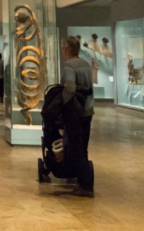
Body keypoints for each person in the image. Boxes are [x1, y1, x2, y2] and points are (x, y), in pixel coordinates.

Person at [61, 36, 95, 197]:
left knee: (76, 147)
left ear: (66, 50)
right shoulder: (86, 65)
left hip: (75, 112)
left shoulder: (69, 66)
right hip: (88, 111)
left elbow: (69, 87)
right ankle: (84, 180)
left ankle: (85, 184)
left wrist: (62, 103)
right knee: (83, 146)